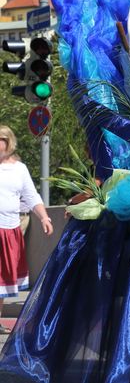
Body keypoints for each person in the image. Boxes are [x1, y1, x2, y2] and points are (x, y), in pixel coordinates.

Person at [0, 126, 53, 330]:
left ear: (9, 142)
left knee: (3, 277)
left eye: (2, 139)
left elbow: (31, 196)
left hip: (9, 228)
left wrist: (44, 218)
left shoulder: (19, 169)